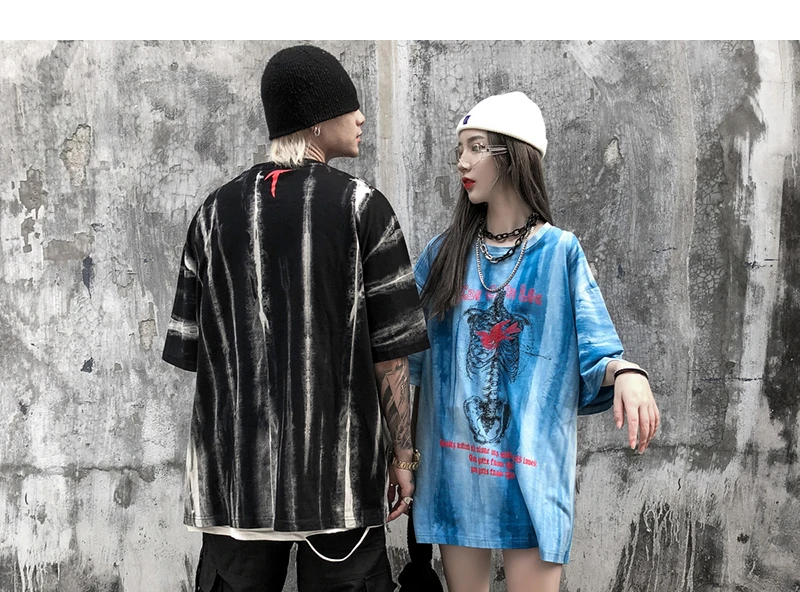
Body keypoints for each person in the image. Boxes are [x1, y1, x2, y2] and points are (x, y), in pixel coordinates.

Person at [162, 44, 429, 592]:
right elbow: (390, 357)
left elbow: (193, 350)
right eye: (349, 106)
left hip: (236, 480)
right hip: (339, 479)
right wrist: (404, 455)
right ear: (316, 121)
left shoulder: (212, 213)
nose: (361, 118)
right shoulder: (363, 207)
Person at [408, 91, 660, 592]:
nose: (462, 162)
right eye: (460, 148)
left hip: (532, 476)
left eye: (476, 147)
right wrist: (399, 454)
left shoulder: (559, 252)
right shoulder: (443, 254)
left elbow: (597, 351)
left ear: (513, 155)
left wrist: (628, 372)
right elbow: (404, 359)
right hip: (456, 476)